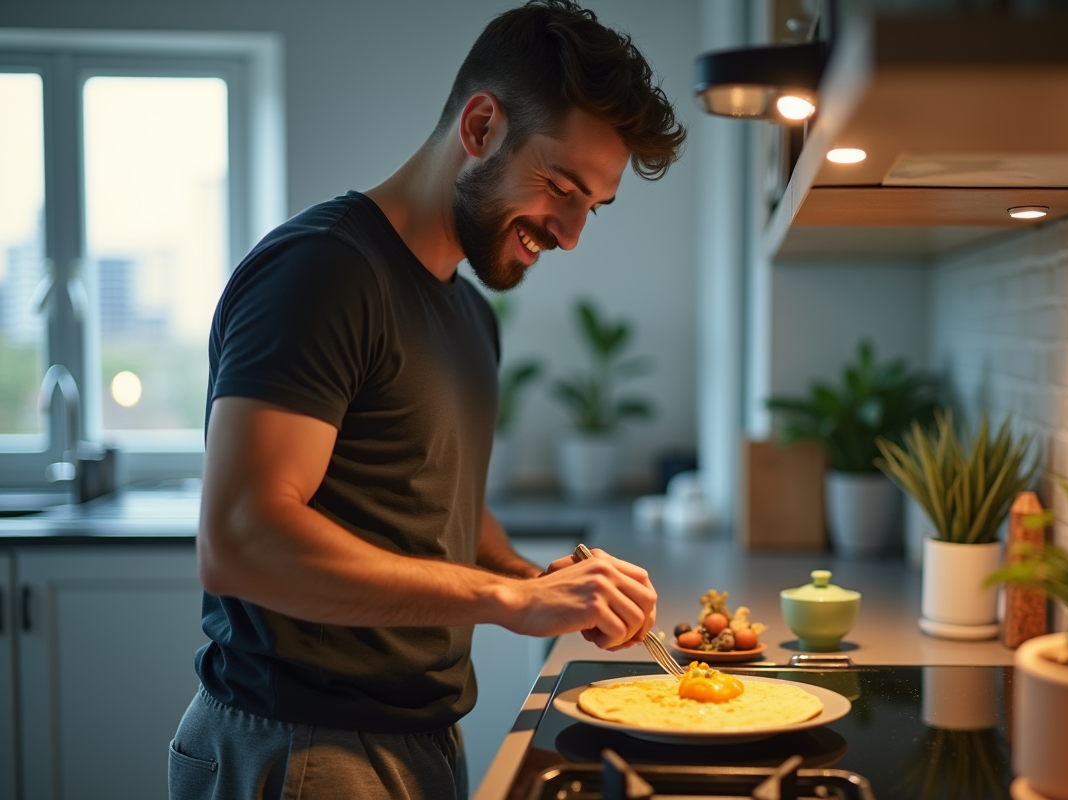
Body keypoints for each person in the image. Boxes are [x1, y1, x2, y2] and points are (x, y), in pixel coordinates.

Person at [167, 2, 687, 799]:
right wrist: (509, 599)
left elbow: (444, 519)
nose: (573, 232)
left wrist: (545, 583)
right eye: (562, 187)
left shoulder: (468, 313)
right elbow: (240, 538)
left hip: (421, 742)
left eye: (594, 205)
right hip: (303, 749)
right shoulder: (323, 273)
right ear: (480, 126)